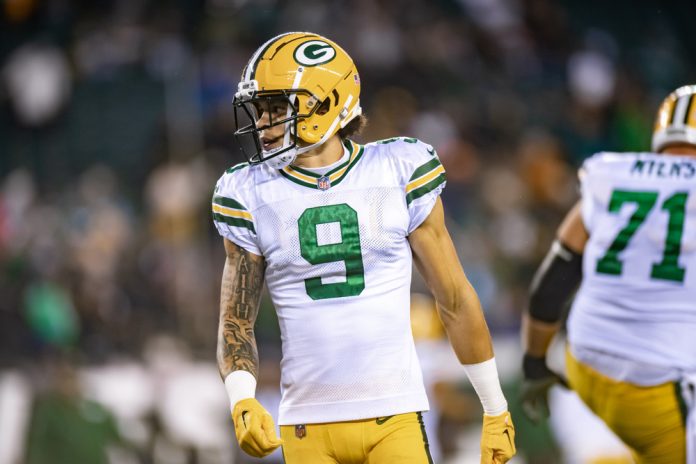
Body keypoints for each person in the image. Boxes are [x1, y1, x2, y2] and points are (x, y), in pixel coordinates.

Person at [212, 32, 516, 463]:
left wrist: (494, 406)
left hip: (393, 417)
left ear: (326, 103)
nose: (263, 124)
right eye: (259, 111)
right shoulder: (248, 191)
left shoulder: (397, 169)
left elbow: (454, 298)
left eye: (277, 109)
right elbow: (235, 320)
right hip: (305, 424)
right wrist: (241, 398)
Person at [521, 84, 696, 463]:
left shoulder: (615, 176)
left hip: (585, 361)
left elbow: (551, 286)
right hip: (657, 381)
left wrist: (534, 362)